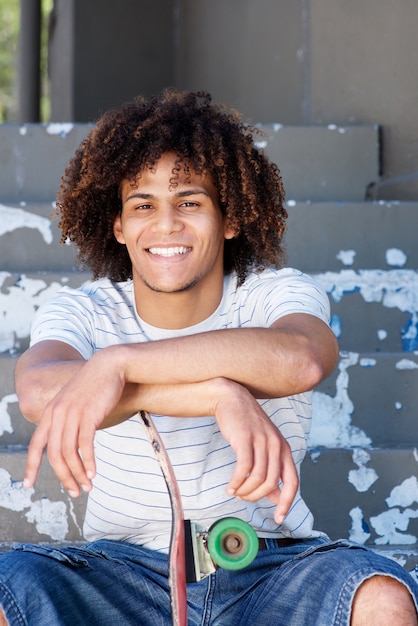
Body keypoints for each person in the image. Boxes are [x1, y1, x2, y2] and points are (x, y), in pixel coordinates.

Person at [1, 89, 416, 625]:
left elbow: (303, 359)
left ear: (230, 218)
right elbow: (38, 391)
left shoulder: (272, 294)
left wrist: (115, 366)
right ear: (119, 225)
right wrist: (218, 393)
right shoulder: (83, 311)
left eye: (189, 202)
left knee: (382, 597)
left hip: (272, 568)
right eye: (142, 205)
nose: (166, 223)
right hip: (120, 574)